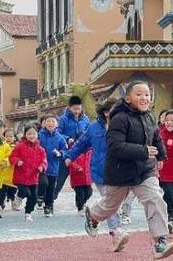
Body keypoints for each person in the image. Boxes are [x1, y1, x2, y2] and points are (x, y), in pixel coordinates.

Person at [83, 81, 173, 259]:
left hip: (144, 171)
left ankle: (160, 242)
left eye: (147, 94)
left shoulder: (149, 116)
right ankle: (93, 216)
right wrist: (143, 151)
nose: (144, 98)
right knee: (111, 205)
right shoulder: (119, 118)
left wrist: (161, 156)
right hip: (120, 171)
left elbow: (155, 136)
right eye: (139, 94)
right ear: (127, 98)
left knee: (155, 199)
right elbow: (115, 146)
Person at [64, 98, 130, 252]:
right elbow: (81, 143)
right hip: (101, 171)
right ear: (106, 112)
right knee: (111, 201)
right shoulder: (93, 128)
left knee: (115, 202)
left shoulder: (125, 125)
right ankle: (117, 232)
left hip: (122, 170)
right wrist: (69, 156)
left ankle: (93, 215)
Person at [121, 109, 168, 225]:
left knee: (155, 196)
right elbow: (117, 145)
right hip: (128, 166)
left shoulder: (150, 120)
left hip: (147, 166)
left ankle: (161, 233)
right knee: (122, 197)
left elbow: (157, 140)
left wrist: (161, 157)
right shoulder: (122, 120)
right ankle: (123, 214)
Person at [53, 96, 90, 200]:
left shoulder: (86, 120)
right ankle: (50, 200)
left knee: (83, 180)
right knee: (60, 179)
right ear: (69, 108)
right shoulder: (63, 119)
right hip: (67, 152)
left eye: (79, 109)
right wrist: (68, 138)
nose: (77, 111)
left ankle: (81, 202)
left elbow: (88, 134)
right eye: (74, 109)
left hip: (81, 153)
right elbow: (57, 133)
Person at [10, 124, 47, 222]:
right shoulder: (19, 146)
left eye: (33, 134)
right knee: (25, 192)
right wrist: (17, 161)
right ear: (25, 135)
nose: (31, 136)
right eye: (29, 134)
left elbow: (44, 161)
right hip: (21, 176)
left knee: (33, 197)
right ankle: (18, 197)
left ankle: (28, 213)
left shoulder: (41, 149)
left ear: (37, 135)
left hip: (33, 177)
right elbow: (12, 157)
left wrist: (41, 167)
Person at [37, 114, 67, 217]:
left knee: (50, 188)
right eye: (48, 121)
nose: (50, 123)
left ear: (57, 124)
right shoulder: (39, 135)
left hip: (54, 167)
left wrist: (60, 153)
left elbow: (65, 150)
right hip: (41, 166)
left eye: (52, 121)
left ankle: (48, 207)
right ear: (44, 123)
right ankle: (39, 197)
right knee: (42, 183)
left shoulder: (60, 137)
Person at [0, 129, 18, 212]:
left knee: (12, 191)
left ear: (14, 137)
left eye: (11, 136)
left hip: (13, 173)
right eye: (7, 136)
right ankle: (0, 205)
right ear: (3, 137)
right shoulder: (1, 146)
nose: (9, 138)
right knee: (2, 191)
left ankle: (13, 202)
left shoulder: (17, 147)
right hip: (4, 173)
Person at [68, 148, 92, 215]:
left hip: (87, 176)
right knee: (80, 193)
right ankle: (80, 208)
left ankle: (82, 203)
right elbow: (70, 161)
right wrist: (77, 167)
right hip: (77, 177)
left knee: (89, 192)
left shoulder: (90, 152)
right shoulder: (74, 151)